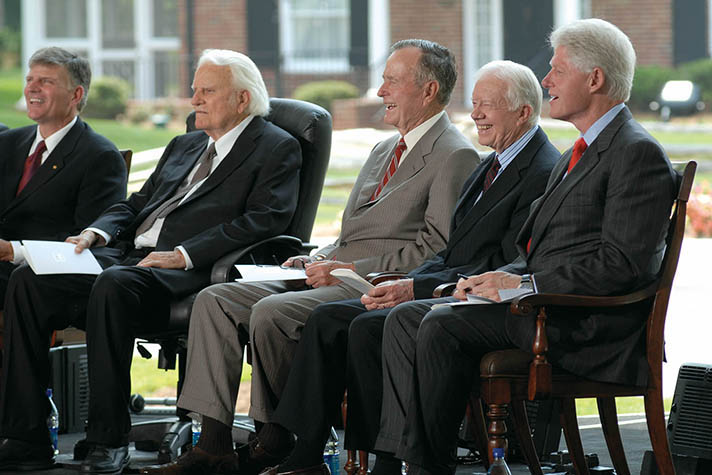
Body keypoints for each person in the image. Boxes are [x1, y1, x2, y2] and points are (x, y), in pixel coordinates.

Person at [142, 39, 480, 475]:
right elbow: (351, 232)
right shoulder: (383, 150)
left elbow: (436, 247)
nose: (380, 93)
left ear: (429, 90)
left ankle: (278, 436)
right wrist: (314, 256)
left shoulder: (454, 154)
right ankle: (214, 444)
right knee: (216, 299)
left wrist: (346, 269)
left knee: (270, 312)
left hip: (370, 283)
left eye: (391, 82)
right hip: (328, 270)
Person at [376, 18, 678, 475]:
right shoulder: (581, 151)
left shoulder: (635, 153)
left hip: (583, 324)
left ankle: (427, 469)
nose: (546, 81)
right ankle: (400, 464)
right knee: (404, 318)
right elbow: (538, 249)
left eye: (557, 70)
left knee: (440, 327)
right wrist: (488, 281)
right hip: (542, 308)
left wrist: (524, 283)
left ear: (594, 79)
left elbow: (623, 265)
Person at [0, 48, 301, 474]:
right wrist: (97, 231)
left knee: (113, 285)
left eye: (206, 92)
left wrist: (183, 255)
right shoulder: (186, 144)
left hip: (188, 272)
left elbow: (265, 221)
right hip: (127, 258)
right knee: (30, 280)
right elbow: (136, 204)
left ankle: (108, 440)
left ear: (242, 100)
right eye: (194, 90)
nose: (193, 100)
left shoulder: (274, 147)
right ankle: (26, 436)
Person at [259, 60, 560, 475]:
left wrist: (417, 290)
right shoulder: (493, 163)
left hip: (477, 300)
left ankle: (384, 461)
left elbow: (502, 264)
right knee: (332, 319)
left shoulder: (541, 169)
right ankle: (313, 451)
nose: (474, 114)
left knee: (364, 325)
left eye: (486, 105)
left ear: (523, 112)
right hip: (441, 284)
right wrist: (406, 281)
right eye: (474, 104)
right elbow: (453, 249)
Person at [0, 47, 127, 338]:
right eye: (30, 78)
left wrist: (13, 251)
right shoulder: (7, 144)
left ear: (76, 95)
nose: (32, 87)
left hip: (35, 275)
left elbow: (85, 242)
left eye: (46, 81)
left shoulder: (100, 156)